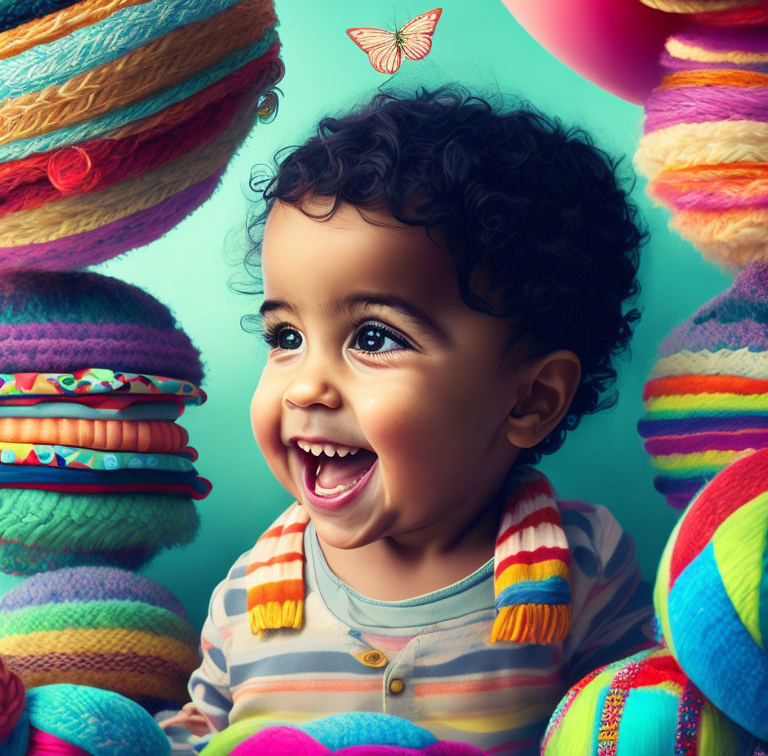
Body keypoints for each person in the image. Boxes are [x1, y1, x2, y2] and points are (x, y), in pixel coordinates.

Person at [163, 85, 654, 755]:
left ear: (530, 399)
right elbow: (199, 738)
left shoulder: (581, 570)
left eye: (372, 339)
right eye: (285, 337)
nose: (306, 385)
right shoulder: (250, 595)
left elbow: (635, 729)